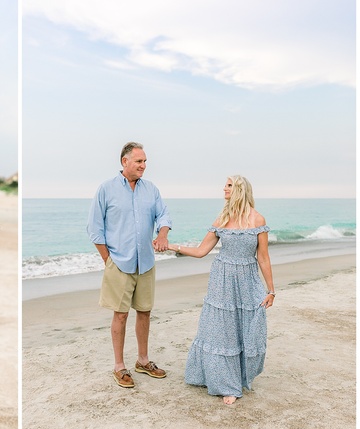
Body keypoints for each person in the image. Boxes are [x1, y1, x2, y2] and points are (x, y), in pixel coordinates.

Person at [165, 175, 275, 405]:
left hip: (248, 279)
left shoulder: (257, 219)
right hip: (222, 280)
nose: (224, 188)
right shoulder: (222, 219)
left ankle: (242, 375)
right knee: (221, 332)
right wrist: (172, 246)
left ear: (240, 189)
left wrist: (271, 290)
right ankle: (227, 384)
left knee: (250, 327)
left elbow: (263, 258)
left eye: (229, 185)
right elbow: (200, 251)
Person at [87, 141, 172, 389]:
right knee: (121, 314)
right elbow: (95, 229)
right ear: (125, 162)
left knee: (145, 311)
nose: (143, 166)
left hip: (145, 261)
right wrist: (108, 260)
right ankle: (119, 366)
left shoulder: (151, 190)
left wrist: (163, 234)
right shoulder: (106, 190)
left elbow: (163, 215)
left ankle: (143, 361)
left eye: (145, 161)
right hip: (119, 263)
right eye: (139, 161)